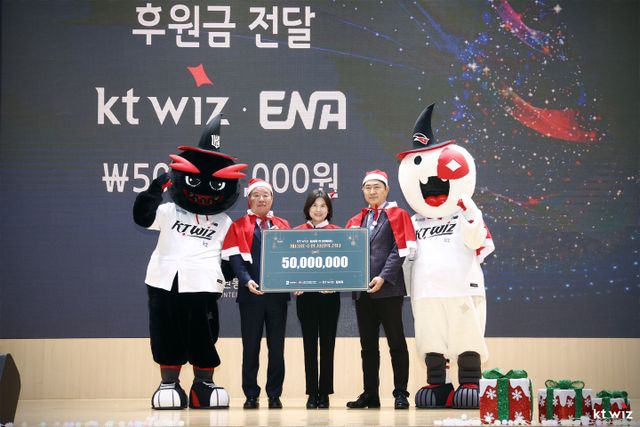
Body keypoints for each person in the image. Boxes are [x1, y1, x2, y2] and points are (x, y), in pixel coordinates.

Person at [132, 115, 246, 409]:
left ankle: (202, 385)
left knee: (203, 335)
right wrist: (155, 189)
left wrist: (219, 276)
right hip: (164, 281)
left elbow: (230, 257)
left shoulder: (224, 221)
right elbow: (142, 218)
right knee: (166, 331)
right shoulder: (169, 211)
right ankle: (169, 383)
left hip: (203, 286)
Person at [397, 103, 495, 409]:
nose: (433, 189)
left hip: (462, 290)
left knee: (467, 335)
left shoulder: (465, 214)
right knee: (431, 339)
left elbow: (477, 243)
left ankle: (470, 381)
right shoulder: (414, 222)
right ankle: (437, 384)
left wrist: (471, 214)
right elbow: (404, 258)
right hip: (426, 294)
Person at [345, 170, 416, 410]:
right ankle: (370, 394)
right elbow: (346, 254)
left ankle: (401, 393)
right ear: (363, 191)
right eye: (368, 188)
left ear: (387, 190)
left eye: (377, 187)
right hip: (362, 293)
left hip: (389, 291)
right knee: (368, 347)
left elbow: (399, 250)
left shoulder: (399, 215)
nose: (372, 191)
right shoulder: (357, 219)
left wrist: (383, 277)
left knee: (397, 343)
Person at [222, 178, 291, 410]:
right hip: (250, 296)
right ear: (249, 199)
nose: (261, 199)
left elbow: (291, 260)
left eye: (266, 195)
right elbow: (235, 260)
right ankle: (251, 394)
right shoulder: (238, 226)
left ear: (272, 199)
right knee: (250, 348)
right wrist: (246, 281)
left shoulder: (282, 224)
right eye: (256, 195)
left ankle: (274, 394)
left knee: (277, 349)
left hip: (277, 297)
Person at [293, 189, 341, 409]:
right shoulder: (296, 233)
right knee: (309, 346)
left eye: (323, 206)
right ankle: (312, 393)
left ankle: (325, 393)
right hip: (306, 299)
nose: (319, 210)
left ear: (328, 209)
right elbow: (288, 265)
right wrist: (293, 284)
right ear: (308, 208)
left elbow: (345, 266)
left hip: (330, 298)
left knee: (328, 345)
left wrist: (336, 284)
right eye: (315, 205)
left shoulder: (338, 233)